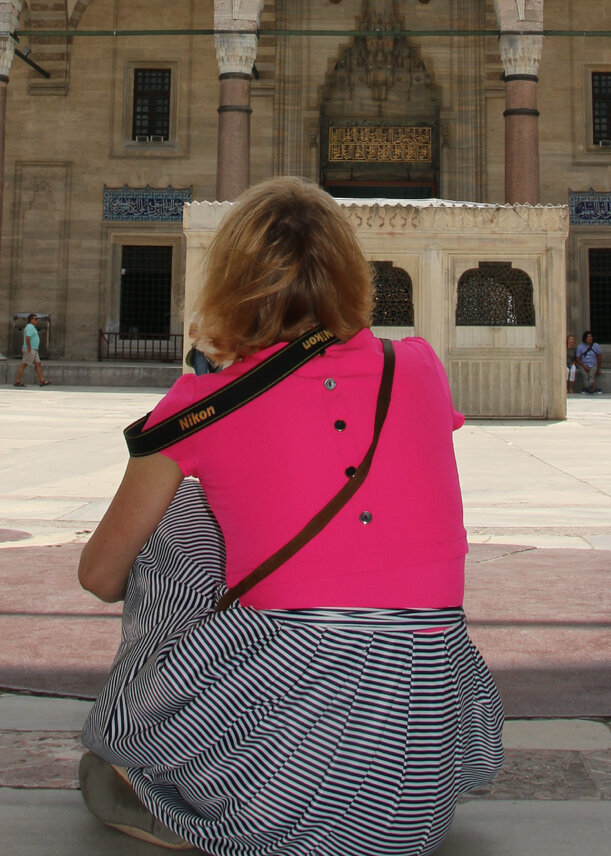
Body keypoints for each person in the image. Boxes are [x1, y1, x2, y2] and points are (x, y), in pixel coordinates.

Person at [77, 176, 504, 855]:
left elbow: (100, 575)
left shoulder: (202, 405)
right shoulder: (419, 366)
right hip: (414, 791)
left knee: (179, 521)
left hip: (284, 790)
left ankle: (159, 751)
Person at [14, 314, 50, 386]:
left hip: (34, 349)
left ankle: (42, 380)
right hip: (30, 349)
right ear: (31, 320)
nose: (37, 320)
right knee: (24, 364)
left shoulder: (32, 327)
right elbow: (27, 338)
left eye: (37, 319)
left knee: (38, 364)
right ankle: (18, 381)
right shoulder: (30, 327)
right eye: (35, 319)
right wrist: (29, 348)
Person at [577, 329, 603, 394]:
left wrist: (598, 368)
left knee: (591, 374)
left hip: (593, 364)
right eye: (588, 337)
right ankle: (591, 388)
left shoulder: (596, 346)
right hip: (583, 364)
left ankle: (589, 388)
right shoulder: (580, 347)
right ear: (585, 338)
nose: (590, 338)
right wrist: (584, 366)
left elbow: (599, 357)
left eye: (591, 337)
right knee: (585, 375)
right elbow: (578, 359)